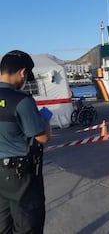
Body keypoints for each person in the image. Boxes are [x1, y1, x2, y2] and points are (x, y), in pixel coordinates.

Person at [0, 50, 50, 233]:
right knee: (28, 224)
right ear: (22, 72)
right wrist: (45, 121)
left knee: (3, 224)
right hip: (20, 175)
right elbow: (42, 136)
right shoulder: (22, 100)